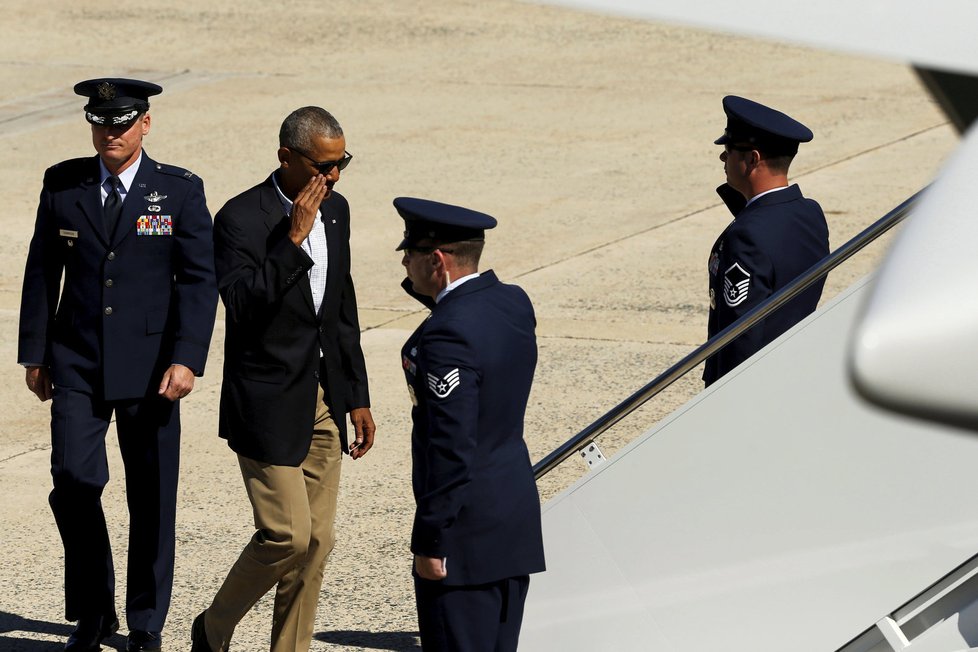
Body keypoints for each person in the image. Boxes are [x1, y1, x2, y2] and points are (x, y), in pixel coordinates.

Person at [17, 78, 218, 651]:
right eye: (101, 122)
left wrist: (188, 359)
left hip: (153, 368)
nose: (110, 132)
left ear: (145, 125)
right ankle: (93, 612)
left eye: (122, 122)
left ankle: (146, 622)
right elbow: (40, 271)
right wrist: (35, 353)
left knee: (151, 497)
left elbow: (199, 282)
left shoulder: (177, 191)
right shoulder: (64, 183)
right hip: (76, 361)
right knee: (73, 482)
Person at [191, 106, 375, 652]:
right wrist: (291, 241)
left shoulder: (337, 211)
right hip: (267, 401)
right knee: (287, 536)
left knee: (318, 543)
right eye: (324, 164)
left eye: (343, 163)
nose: (334, 176)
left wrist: (357, 395)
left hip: (323, 398)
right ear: (285, 158)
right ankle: (214, 627)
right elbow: (243, 304)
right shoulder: (240, 219)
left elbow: (342, 309)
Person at [395, 197, 546, 652]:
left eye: (410, 253)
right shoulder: (512, 303)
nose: (404, 262)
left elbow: (451, 445)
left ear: (437, 259)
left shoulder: (447, 333)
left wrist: (432, 537)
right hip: (511, 522)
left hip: (464, 538)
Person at [704, 95, 830, 386]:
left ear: (752, 159)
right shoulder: (808, 212)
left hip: (748, 387)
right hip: (789, 372)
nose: (723, 157)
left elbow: (741, 334)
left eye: (730, 149)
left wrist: (724, 397)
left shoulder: (747, 235)